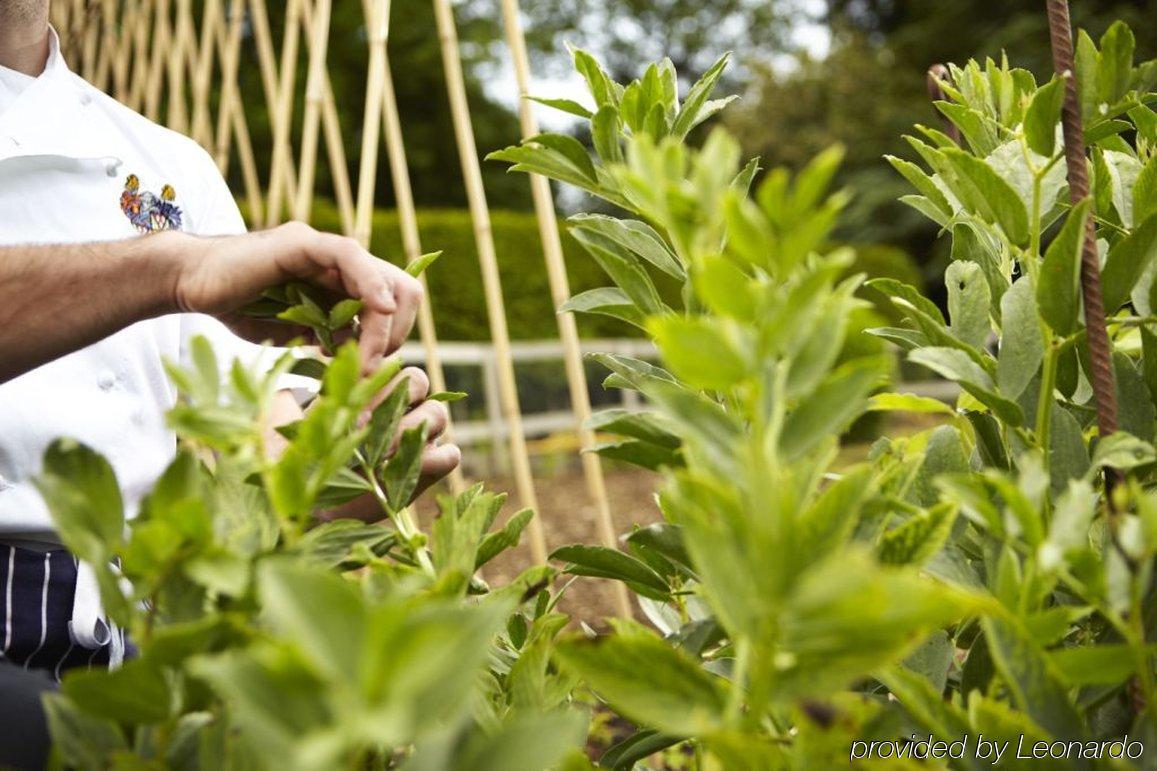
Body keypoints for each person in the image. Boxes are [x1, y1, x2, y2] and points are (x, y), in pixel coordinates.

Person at [0, 2, 461, 766]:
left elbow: (265, 445)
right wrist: (169, 270)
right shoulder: (177, 250)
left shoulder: (165, 163)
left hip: (135, 638)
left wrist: (328, 476)